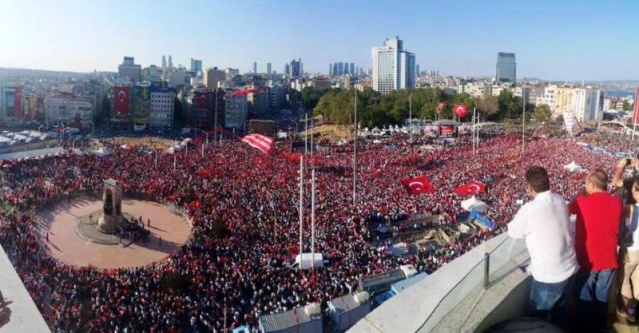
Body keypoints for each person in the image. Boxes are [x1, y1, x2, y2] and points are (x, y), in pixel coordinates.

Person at [507, 166, 579, 325]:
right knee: (560, 318)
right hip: (570, 269)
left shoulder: (529, 209)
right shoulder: (560, 199)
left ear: (530, 188)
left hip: (549, 277)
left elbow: (512, 231)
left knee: (535, 321)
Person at [569, 168, 622, 332]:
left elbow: (569, 209)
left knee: (585, 300)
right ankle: (600, 328)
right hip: (609, 260)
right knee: (602, 299)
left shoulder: (581, 201)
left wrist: (579, 193)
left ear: (591, 184)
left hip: (588, 261)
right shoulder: (617, 202)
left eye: (586, 183)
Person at [617, 176, 639, 323]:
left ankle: (630, 311)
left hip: (632, 250)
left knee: (624, 280)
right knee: (637, 280)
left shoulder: (631, 208)